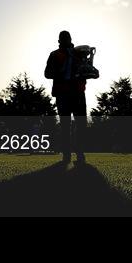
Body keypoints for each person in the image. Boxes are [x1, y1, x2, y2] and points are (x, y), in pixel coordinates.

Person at [44, 31, 87, 164]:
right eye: (63, 39)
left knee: (81, 124)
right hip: (63, 94)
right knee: (65, 125)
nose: (65, 41)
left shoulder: (79, 53)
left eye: (67, 39)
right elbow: (47, 73)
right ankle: (67, 155)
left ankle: (79, 152)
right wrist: (61, 71)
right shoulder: (54, 54)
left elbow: (85, 69)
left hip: (78, 92)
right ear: (59, 41)